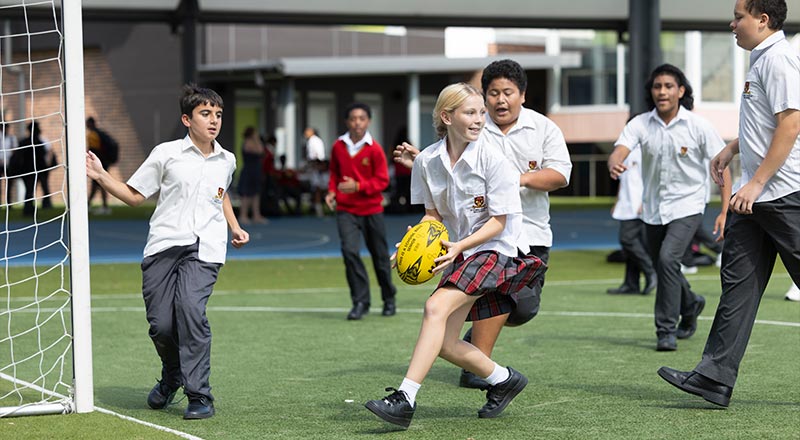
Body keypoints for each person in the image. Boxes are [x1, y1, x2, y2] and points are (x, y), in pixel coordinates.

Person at [365, 83, 546, 428]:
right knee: (446, 343)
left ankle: (405, 398)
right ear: (447, 117)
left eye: (481, 113)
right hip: (460, 252)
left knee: (434, 307)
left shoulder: (496, 160)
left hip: (493, 249)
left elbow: (500, 221)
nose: (479, 120)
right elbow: (432, 216)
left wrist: (459, 247)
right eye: (470, 113)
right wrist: (414, 242)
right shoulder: (428, 162)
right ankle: (504, 379)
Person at [394, 59, 572, 390]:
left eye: (507, 93)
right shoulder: (475, 126)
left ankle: (486, 366)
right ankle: (485, 371)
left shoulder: (542, 128)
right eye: (493, 94)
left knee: (523, 307)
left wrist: (508, 180)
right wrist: (424, 162)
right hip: (477, 243)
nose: (499, 101)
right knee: (447, 316)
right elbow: (449, 172)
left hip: (524, 233)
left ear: (522, 95)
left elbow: (561, 175)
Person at [659, 0, 799, 407]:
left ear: (763, 19)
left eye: (739, 16)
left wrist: (754, 183)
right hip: (757, 201)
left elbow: (792, 122)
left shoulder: (780, 60)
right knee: (737, 287)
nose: (732, 23)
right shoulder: (762, 60)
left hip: (784, 195)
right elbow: (770, 122)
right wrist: (732, 148)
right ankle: (713, 378)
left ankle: (714, 375)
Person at [84, 84, 249, 419]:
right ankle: (172, 374)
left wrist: (233, 226)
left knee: (190, 310)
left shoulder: (227, 159)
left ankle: (199, 395)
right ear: (187, 119)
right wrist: (100, 176)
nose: (213, 120)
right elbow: (134, 195)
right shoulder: (166, 154)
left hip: (205, 249)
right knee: (161, 325)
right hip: (162, 246)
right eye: (205, 114)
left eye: (217, 114)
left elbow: (222, 193)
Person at [608, 63, 732, 351]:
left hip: (688, 206)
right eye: (657, 86)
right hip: (653, 209)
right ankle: (691, 303)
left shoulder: (698, 126)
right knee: (663, 264)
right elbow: (621, 148)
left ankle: (666, 330)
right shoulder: (640, 123)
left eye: (668, 86)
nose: (662, 91)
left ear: (681, 91)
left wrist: (725, 211)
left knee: (666, 259)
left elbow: (722, 165)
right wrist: (614, 161)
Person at [325, 102, 397, 320]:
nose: (357, 122)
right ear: (347, 122)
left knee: (380, 257)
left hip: (371, 210)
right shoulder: (338, 146)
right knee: (350, 252)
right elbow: (334, 175)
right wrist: (331, 192)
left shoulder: (374, 149)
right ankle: (360, 302)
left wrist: (358, 186)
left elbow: (383, 180)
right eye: (353, 118)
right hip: (346, 210)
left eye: (362, 118)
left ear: (368, 121)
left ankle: (389, 298)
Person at [608, 147, 657, 295]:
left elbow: (651, 178)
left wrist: (645, 201)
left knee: (627, 239)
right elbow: (624, 180)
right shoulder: (625, 153)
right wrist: (618, 201)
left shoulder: (645, 151)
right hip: (626, 204)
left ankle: (650, 271)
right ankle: (631, 283)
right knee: (633, 243)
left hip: (639, 204)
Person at [16, 123, 49, 216]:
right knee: (30, 190)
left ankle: (31, 208)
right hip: (30, 171)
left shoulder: (27, 142)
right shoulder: (35, 143)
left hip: (32, 170)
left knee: (30, 190)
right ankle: (28, 209)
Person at [237, 126, 267, 224]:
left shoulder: (255, 142)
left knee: (256, 194)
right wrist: (257, 140)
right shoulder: (248, 142)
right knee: (246, 194)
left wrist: (257, 140)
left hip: (256, 171)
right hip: (248, 171)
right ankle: (243, 215)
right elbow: (258, 151)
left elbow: (262, 150)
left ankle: (256, 215)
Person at [86, 117, 115, 214]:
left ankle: (103, 206)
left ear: (91, 124)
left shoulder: (93, 135)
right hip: (104, 162)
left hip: (99, 163)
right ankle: (93, 205)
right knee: (98, 184)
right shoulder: (100, 133)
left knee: (100, 183)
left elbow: (93, 150)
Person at [303, 127, 328, 217]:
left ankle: (318, 209)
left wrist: (316, 165)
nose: (305, 133)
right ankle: (315, 208)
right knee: (315, 189)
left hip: (317, 168)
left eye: (307, 131)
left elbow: (316, 156)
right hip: (315, 168)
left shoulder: (314, 141)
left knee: (317, 189)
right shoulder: (313, 141)